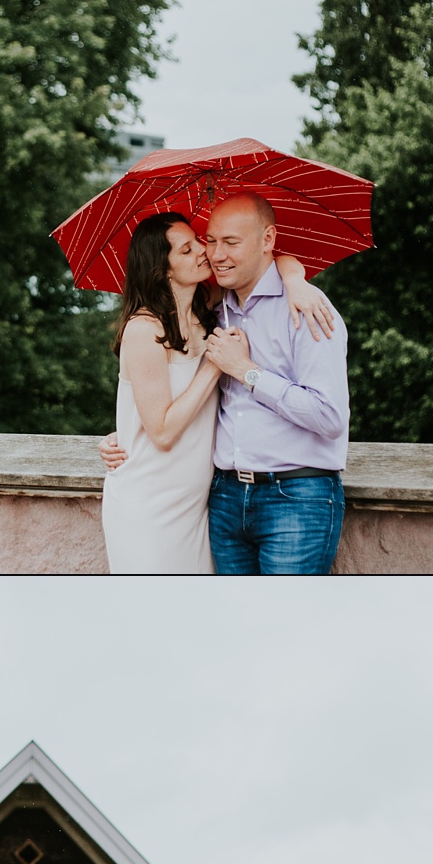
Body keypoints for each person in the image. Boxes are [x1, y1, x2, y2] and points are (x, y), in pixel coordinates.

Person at [100, 209, 336, 579]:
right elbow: (160, 431)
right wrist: (217, 365)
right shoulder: (143, 329)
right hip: (150, 500)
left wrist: (295, 280)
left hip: (199, 505)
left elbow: (267, 261)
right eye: (187, 249)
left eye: (201, 242)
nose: (205, 253)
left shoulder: (208, 305)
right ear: (161, 268)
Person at [201, 191, 350, 576]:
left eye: (231, 242)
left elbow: (329, 415)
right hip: (224, 497)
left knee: (287, 627)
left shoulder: (308, 309)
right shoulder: (215, 309)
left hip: (297, 498)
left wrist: (248, 372)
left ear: (268, 240)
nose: (217, 255)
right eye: (211, 241)